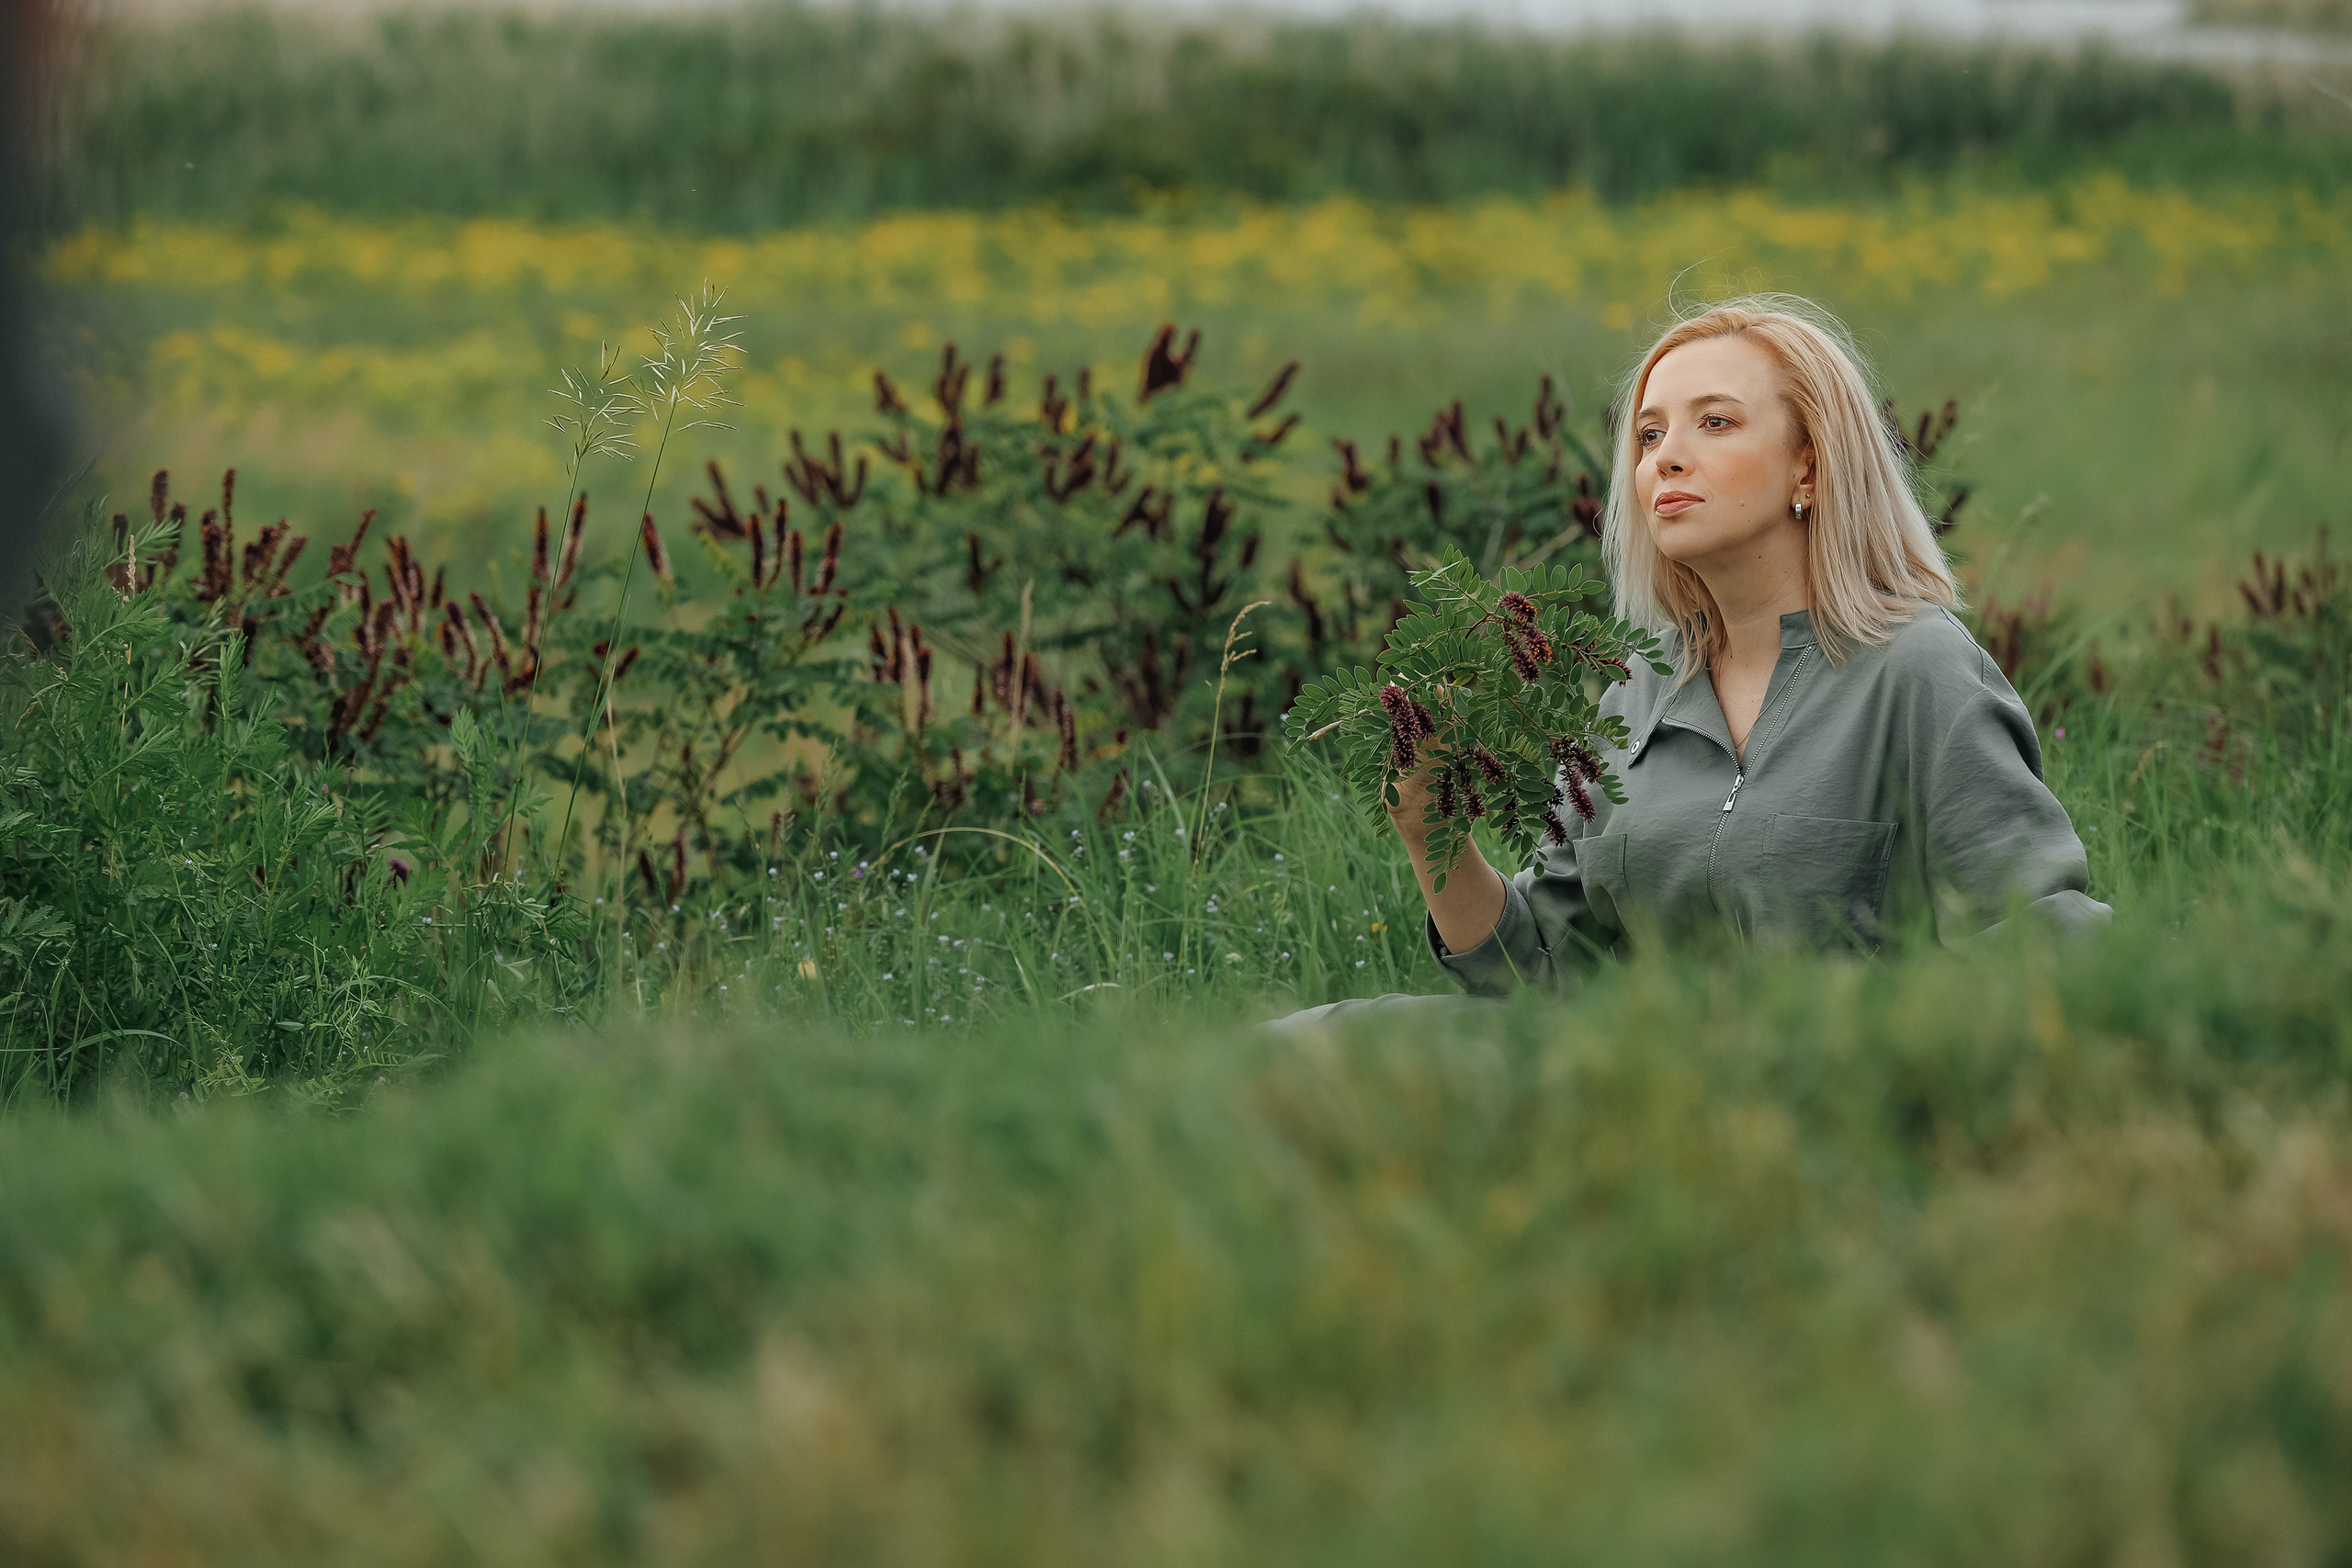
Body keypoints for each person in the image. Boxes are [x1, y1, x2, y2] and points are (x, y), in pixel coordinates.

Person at [1279, 295, 2106, 1028]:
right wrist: (1432, 835)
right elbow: (1538, 980)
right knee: (1309, 1046)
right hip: (1630, 1085)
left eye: (1715, 422)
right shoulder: (1638, 688)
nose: (1665, 457)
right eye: (1648, 434)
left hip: (1828, 1098)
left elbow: (2043, 939)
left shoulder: (1918, 669)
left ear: (1808, 466)